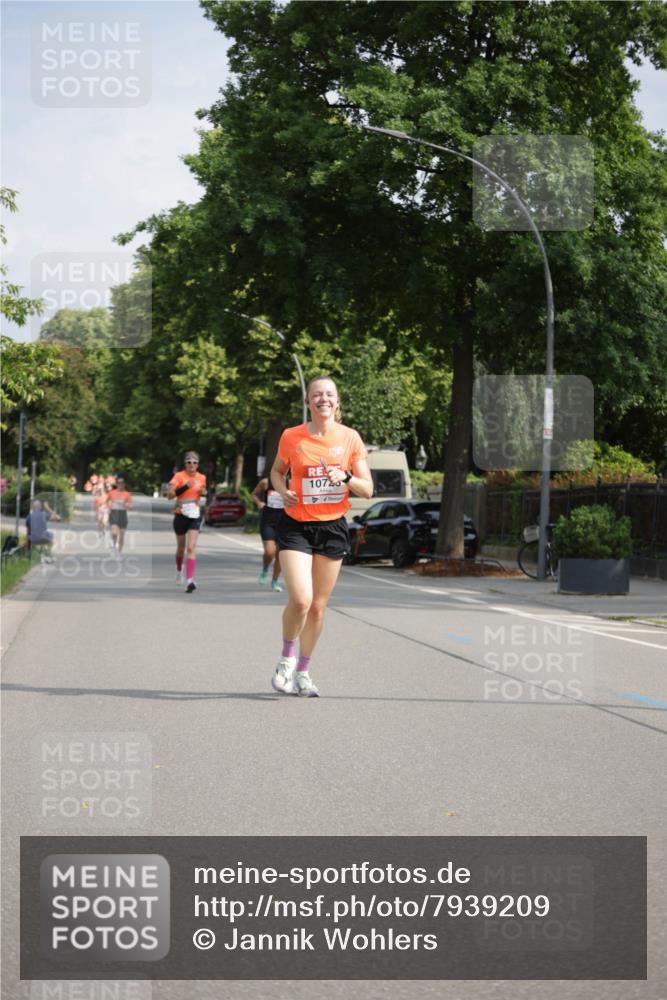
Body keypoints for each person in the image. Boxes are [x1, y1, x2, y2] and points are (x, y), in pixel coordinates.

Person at [269, 376, 373, 697]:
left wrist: (344, 476)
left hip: (332, 528)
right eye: (316, 394)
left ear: (337, 402)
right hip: (296, 525)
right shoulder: (291, 436)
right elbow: (276, 471)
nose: (323, 398)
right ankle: (286, 659)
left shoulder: (350, 438)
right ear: (308, 402)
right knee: (300, 600)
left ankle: (303, 671)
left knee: (317, 607)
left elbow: (367, 489)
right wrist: (283, 490)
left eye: (329, 394)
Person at [167, 451, 207, 593]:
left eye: (195, 462)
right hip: (180, 514)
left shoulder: (202, 477)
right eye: (189, 462)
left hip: (194, 514)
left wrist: (203, 492)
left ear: (198, 464)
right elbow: (169, 496)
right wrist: (185, 486)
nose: (192, 464)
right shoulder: (179, 476)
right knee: (180, 549)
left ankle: (190, 580)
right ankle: (179, 570)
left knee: (191, 548)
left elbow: (202, 490)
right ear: (185, 463)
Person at [251, 476, 284, 592]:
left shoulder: (290, 483)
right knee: (270, 552)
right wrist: (259, 503)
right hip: (268, 522)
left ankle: (274, 581)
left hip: (284, 523)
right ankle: (265, 569)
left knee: (281, 555)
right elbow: (253, 494)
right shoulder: (266, 482)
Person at [107, 477, 132, 558]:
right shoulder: (111, 493)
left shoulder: (127, 494)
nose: (121, 484)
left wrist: (127, 505)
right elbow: (107, 502)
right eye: (119, 483)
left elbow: (130, 505)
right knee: (114, 532)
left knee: (121, 535)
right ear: (117, 484)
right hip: (114, 513)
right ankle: (114, 544)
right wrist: (108, 507)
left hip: (122, 514)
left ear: (124, 484)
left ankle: (119, 553)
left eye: (122, 483)